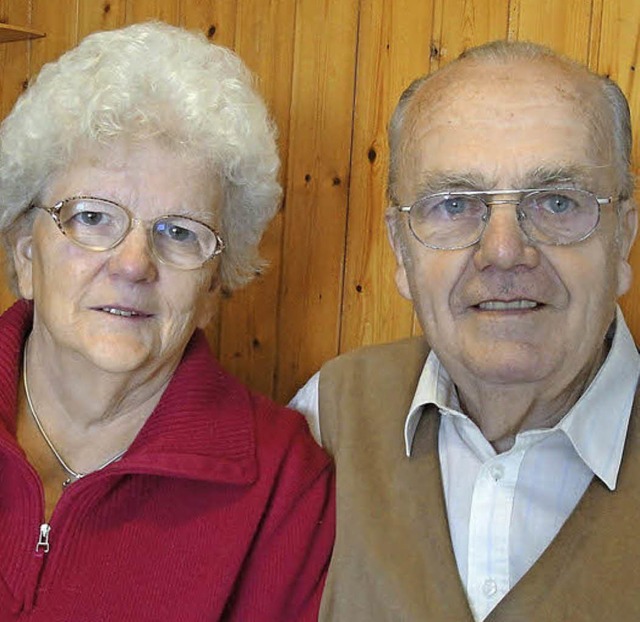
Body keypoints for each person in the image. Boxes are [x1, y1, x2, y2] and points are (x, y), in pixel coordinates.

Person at [291, 40, 640, 621]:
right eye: (455, 204)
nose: (504, 252)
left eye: (556, 201)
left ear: (623, 237)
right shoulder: (328, 418)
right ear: (401, 249)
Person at [0, 21, 334, 621]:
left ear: (212, 286)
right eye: (94, 217)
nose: (133, 264)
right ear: (27, 254)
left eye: (178, 232)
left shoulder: (282, 485)